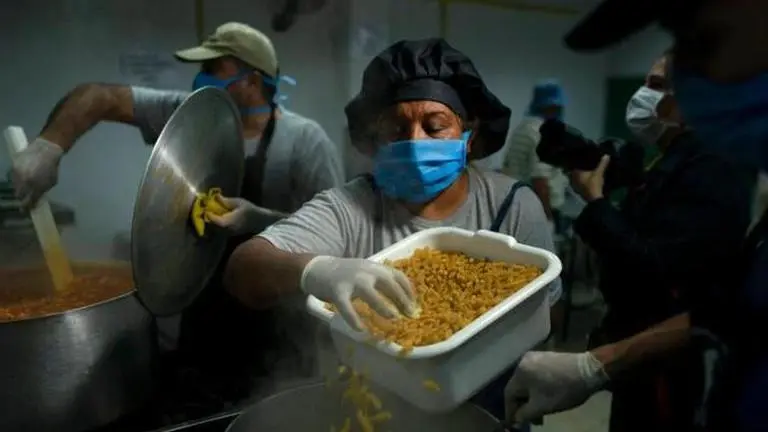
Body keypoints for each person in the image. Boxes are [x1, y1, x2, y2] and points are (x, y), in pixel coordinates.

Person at [223, 38, 562, 422]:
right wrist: (318, 271)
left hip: (488, 407)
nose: (415, 142)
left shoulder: (513, 206)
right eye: (397, 129)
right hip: (375, 407)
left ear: (468, 136)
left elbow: (544, 308)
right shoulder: (350, 206)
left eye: (435, 127)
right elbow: (242, 269)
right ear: (374, 139)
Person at [11, 22, 344, 406]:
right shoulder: (189, 115)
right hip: (203, 305)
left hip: (275, 318)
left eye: (212, 70)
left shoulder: (305, 141)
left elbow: (331, 240)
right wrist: (49, 146)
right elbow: (98, 96)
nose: (199, 79)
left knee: (270, 406)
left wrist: (260, 219)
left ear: (251, 81)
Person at [504, 1, 768, 430]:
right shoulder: (674, 157)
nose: (697, 72)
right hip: (643, 349)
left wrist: (597, 206)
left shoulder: (717, 164)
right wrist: (602, 363)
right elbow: (724, 308)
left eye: (707, 42)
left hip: (665, 366)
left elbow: (665, 272)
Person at [502, 80, 569, 234]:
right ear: (550, 107)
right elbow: (540, 180)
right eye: (558, 107)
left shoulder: (524, 127)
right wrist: (547, 218)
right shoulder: (543, 133)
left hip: (516, 206)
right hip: (536, 210)